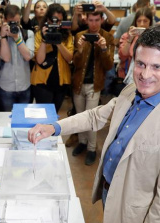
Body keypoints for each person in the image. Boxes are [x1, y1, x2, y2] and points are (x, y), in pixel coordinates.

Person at [28, 25, 160, 223]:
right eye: (141, 64)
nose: (145, 74)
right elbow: (95, 116)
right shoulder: (131, 91)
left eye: (156, 67)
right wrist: (53, 127)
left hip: (137, 219)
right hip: (111, 197)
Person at [71, 10, 114, 166]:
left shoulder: (107, 38)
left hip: (95, 85)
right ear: (86, 20)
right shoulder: (79, 36)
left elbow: (109, 65)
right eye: (91, 20)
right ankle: (82, 142)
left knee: (91, 118)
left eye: (97, 20)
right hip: (78, 83)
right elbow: (75, 64)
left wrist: (103, 49)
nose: (94, 24)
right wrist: (80, 49)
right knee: (80, 116)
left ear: (102, 20)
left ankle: (91, 149)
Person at [31, 3, 73, 112]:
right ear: (48, 20)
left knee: (54, 115)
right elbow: (39, 60)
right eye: (54, 20)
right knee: (43, 116)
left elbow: (69, 58)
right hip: (42, 82)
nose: (56, 24)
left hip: (61, 82)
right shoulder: (40, 34)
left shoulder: (67, 36)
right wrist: (45, 40)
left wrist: (58, 42)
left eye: (59, 21)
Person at [0, 4, 34, 111]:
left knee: (23, 119)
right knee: (7, 120)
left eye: (16, 22)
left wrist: (17, 38)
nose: (14, 25)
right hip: (6, 86)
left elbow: (28, 56)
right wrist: (3, 37)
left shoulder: (28, 34)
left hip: (24, 85)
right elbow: (6, 58)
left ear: (20, 19)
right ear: (5, 20)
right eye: (11, 22)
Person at [118, 7, 153, 82]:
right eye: (139, 21)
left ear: (150, 22)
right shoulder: (127, 36)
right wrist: (130, 39)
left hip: (149, 76)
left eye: (145, 21)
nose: (142, 24)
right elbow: (122, 56)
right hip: (129, 76)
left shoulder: (154, 37)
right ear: (135, 22)